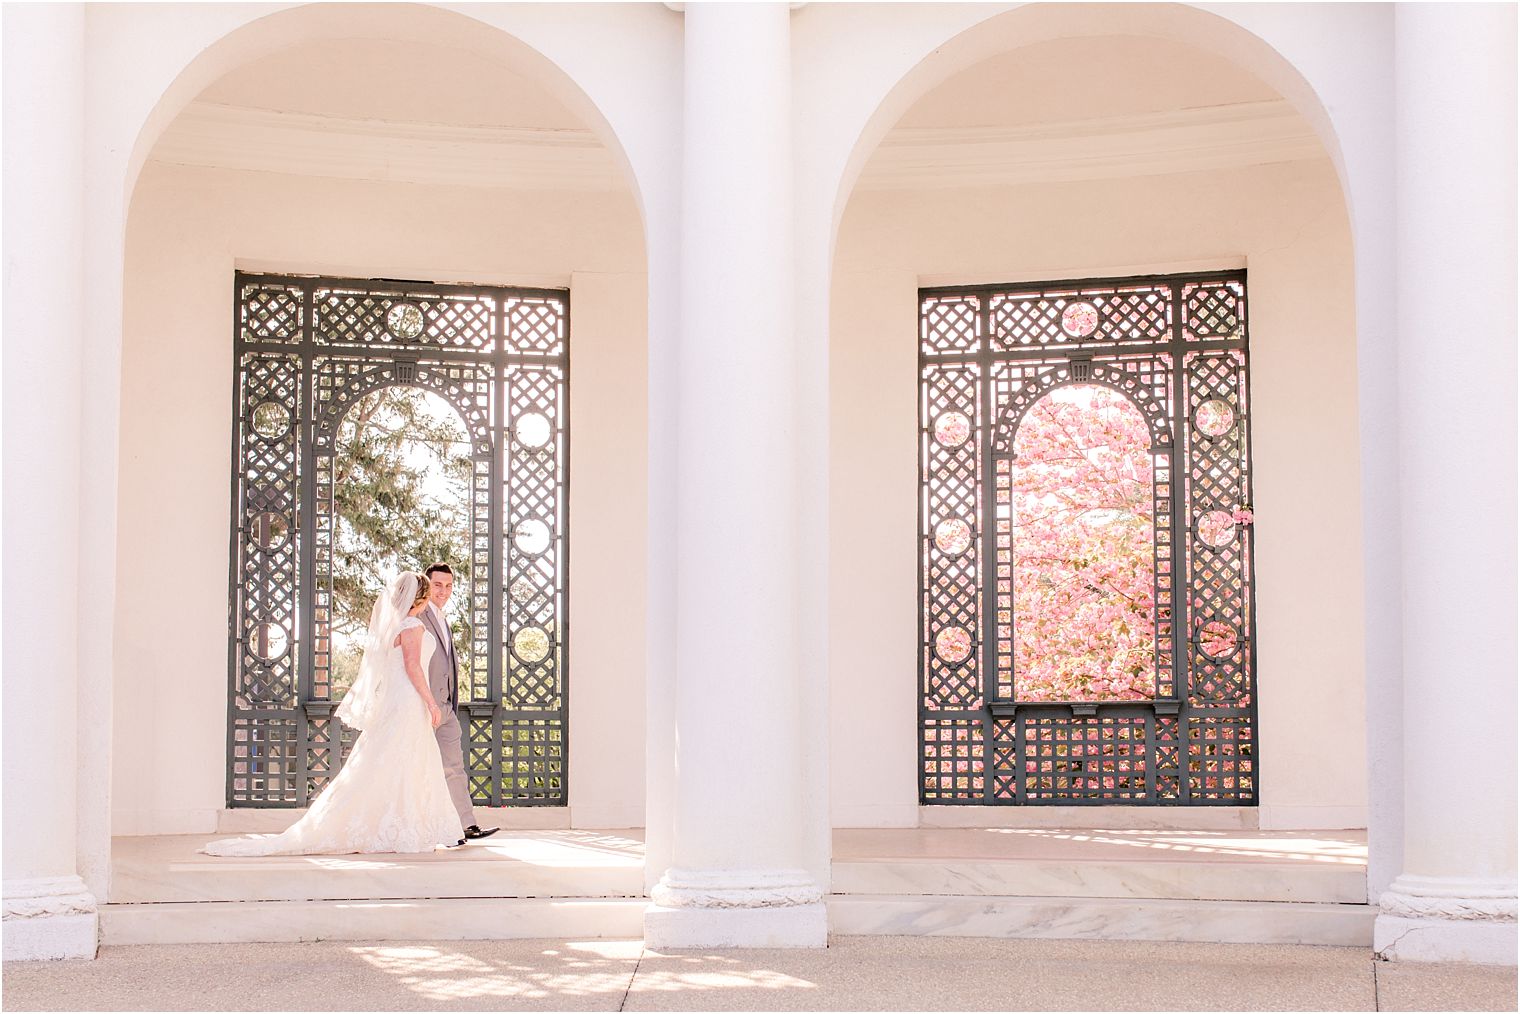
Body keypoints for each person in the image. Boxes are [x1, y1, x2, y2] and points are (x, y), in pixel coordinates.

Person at [202, 573, 464, 855]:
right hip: (410, 700)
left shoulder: (393, 627)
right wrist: (431, 702)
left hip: (396, 700)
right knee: (409, 760)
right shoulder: (413, 624)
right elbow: (413, 667)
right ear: (421, 597)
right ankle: (403, 827)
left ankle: (393, 825)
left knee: (386, 760)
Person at [419, 563, 499, 842]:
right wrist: (426, 702)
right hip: (421, 707)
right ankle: (420, 826)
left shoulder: (443, 618)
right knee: (419, 767)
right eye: (438, 585)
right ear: (426, 585)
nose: (444, 591)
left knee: (455, 767)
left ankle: (466, 824)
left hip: (446, 708)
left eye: (449, 585)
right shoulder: (416, 616)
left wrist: (449, 703)